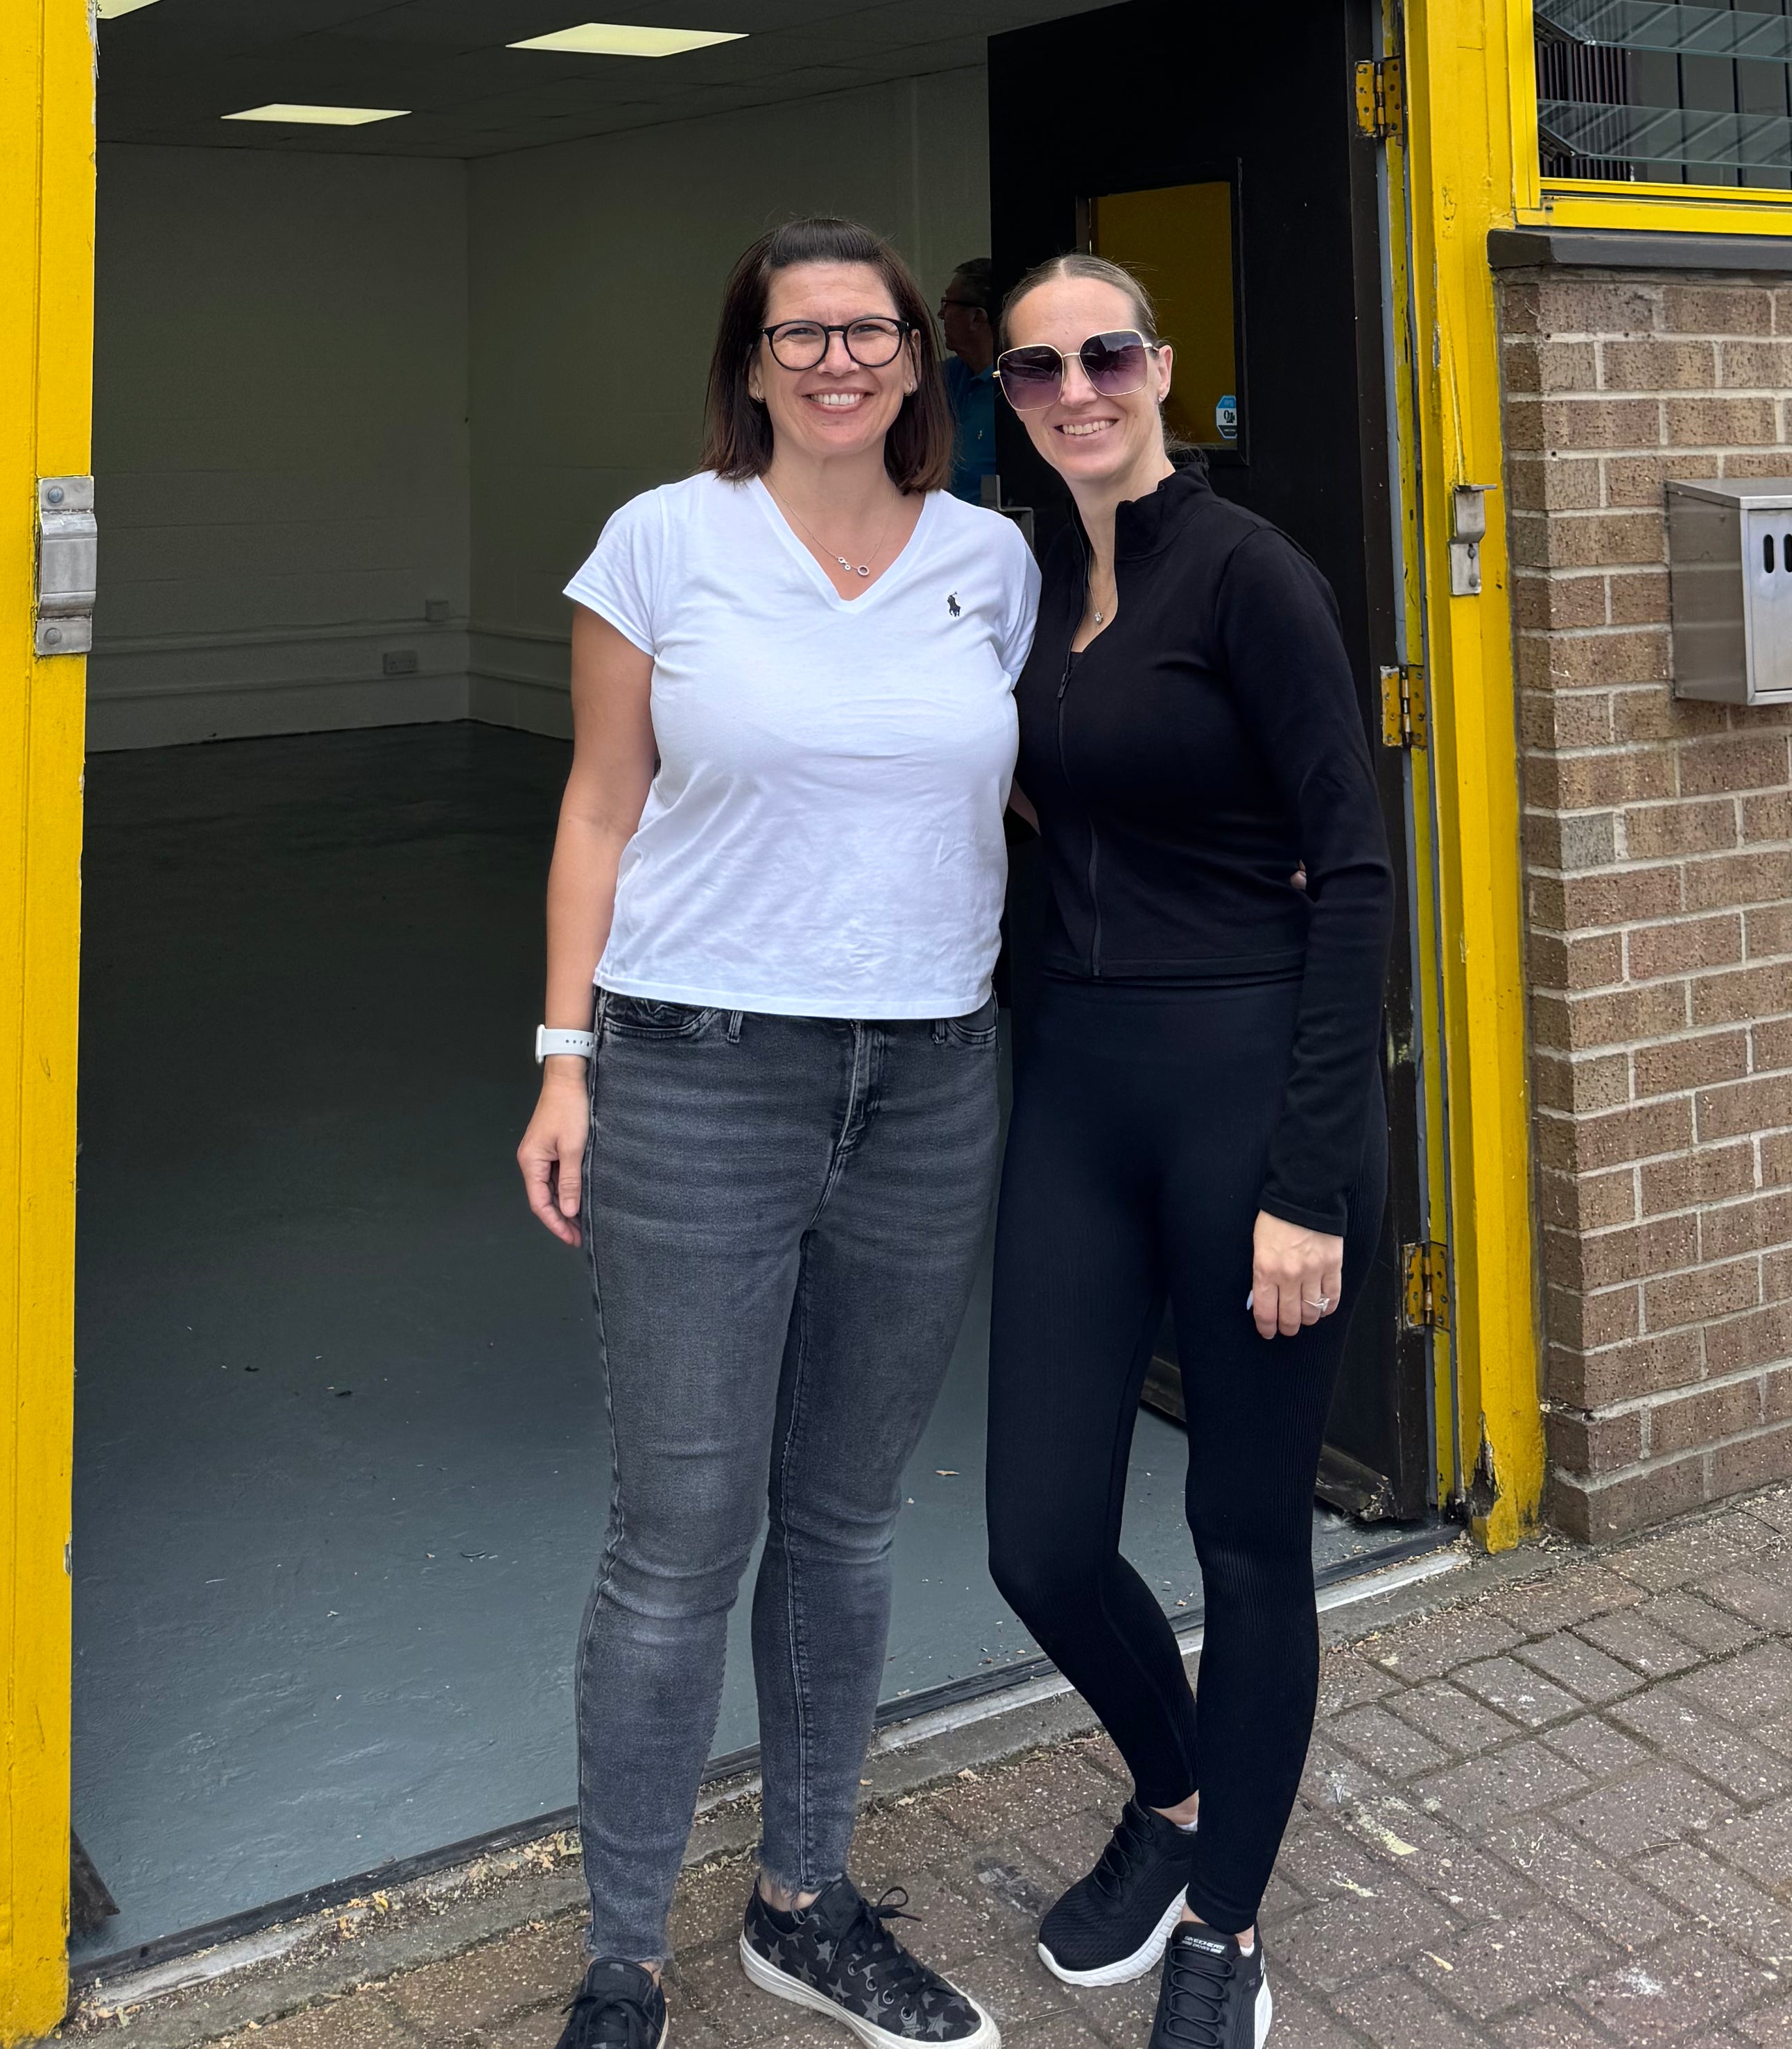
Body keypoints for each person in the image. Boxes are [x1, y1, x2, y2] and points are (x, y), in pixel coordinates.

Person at [517, 215, 1040, 2049]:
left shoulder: (989, 558)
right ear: (748, 364)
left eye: (872, 331)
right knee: (676, 1535)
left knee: (842, 1522)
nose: (837, 358)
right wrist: (560, 1058)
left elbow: (1029, 783)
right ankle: (619, 1962)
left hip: (927, 1085)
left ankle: (804, 1903)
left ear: (919, 362)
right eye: (798, 332)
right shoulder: (663, 542)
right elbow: (597, 805)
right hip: (696, 1074)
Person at [981, 255, 1392, 2049]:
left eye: (1108, 352)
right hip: (1073, 1095)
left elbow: (1355, 867)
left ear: (1160, 366)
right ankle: (1175, 1795)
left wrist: (1309, 1175)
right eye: (1036, 366)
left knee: (1241, 1536)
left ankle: (1222, 1922)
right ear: (1003, 395)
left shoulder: (1248, 577)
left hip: (1247, 1103)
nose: (1078, 387)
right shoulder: (1012, 584)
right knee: (1036, 1537)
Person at [937, 257, 999, 501]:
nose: (941, 314)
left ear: (977, 317)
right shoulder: (949, 378)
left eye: (948, 304)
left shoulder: (1016, 388)